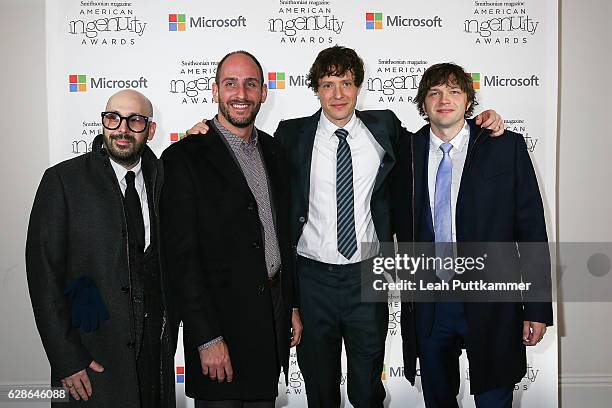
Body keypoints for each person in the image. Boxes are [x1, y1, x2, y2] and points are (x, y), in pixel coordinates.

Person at [272, 46, 504, 407]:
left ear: (359, 87)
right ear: (316, 88)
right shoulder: (290, 135)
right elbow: (250, 153)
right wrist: (206, 131)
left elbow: (441, 135)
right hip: (311, 277)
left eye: (346, 83)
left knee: (367, 388)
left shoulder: (384, 127)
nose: (338, 94)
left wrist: (480, 123)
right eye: (328, 84)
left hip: (368, 275)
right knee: (319, 385)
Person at [391, 62, 553, 407]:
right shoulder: (404, 151)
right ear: (423, 102)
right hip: (430, 303)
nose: (444, 99)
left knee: (494, 399)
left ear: (468, 101)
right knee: (438, 399)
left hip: (492, 300)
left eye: (454, 91)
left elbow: (532, 232)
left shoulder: (504, 146)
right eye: (434, 92)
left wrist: (537, 307)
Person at [160, 51, 302, 408]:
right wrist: (206, 338)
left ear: (263, 93)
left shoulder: (275, 151)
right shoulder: (184, 157)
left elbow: (281, 236)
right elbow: (180, 259)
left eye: (250, 84)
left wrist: (291, 305)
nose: (241, 93)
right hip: (218, 325)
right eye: (231, 84)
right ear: (215, 91)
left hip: (269, 316)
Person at [25, 90, 175, 407]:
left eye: (135, 120)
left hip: (153, 359)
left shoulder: (162, 178)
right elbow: (44, 279)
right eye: (113, 118)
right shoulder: (62, 181)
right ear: (103, 123)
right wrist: (66, 359)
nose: (122, 129)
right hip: (91, 359)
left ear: (150, 130)